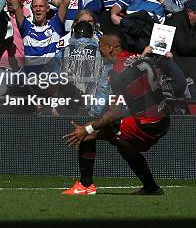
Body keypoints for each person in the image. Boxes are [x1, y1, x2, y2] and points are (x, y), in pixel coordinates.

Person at [63, 30, 173, 195]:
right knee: (122, 143)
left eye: (100, 46)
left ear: (109, 48)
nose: (99, 51)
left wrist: (88, 129)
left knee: (90, 134)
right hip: (162, 119)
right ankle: (151, 188)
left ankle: (85, 186)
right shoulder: (140, 57)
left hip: (147, 123)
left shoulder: (118, 71)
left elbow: (114, 112)